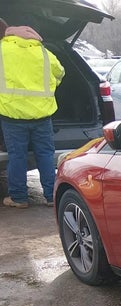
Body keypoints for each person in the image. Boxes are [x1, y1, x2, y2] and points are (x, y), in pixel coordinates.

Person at [0, 20, 64, 209]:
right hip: (42, 114)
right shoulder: (43, 52)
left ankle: (19, 198)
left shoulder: (3, 50)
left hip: (13, 114)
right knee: (45, 154)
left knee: (17, 156)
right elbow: (60, 73)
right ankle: (52, 196)